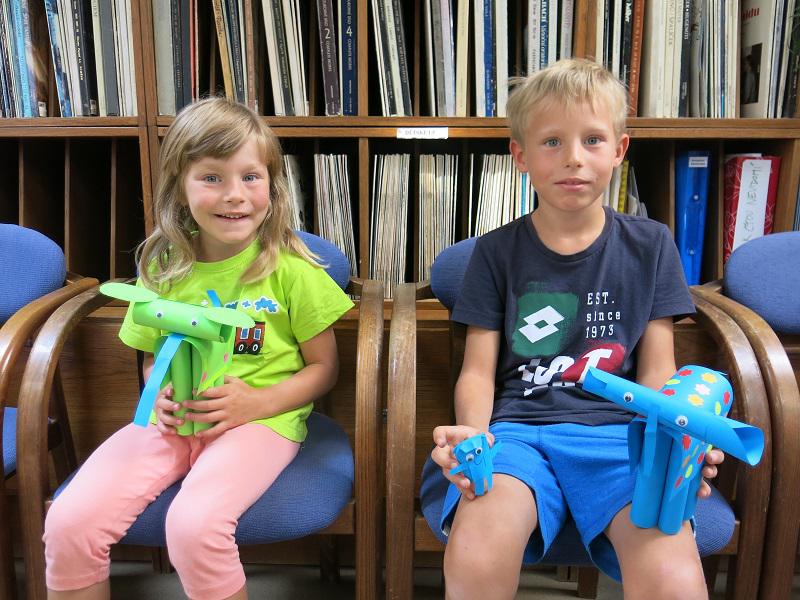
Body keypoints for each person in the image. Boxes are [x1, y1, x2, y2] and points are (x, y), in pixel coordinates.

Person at [429, 58, 724, 600]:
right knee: (477, 551)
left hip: (623, 436)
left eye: (592, 140)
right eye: (551, 142)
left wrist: (677, 442)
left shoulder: (652, 244)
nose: (573, 158)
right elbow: (478, 372)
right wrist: (474, 434)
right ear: (520, 156)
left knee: (672, 575)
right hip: (518, 434)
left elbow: (659, 372)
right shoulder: (494, 253)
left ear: (620, 149)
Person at [43, 97, 354, 600]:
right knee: (67, 522)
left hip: (261, 423)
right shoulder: (163, 268)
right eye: (211, 177)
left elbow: (324, 369)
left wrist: (255, 403)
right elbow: (152, 359)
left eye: (250, 177)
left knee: (194, 526)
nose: (235, 195)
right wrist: (161, 390)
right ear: (179, 187)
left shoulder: (295, 272)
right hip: (173, 421)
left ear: (272, 187)